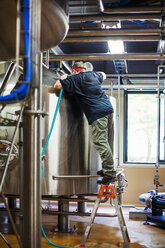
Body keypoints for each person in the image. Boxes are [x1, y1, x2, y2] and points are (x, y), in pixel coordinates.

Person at [49, 61, 116, 184]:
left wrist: (64, 76)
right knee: (108, 141)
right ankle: (108, 168)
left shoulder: (74, 78)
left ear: (74, 70)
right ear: (84, 69)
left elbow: (57, 86)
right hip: (108, 109)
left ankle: (110, 173)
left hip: (97, 113)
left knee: (100, 142)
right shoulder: (93, 75)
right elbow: (104, 74)